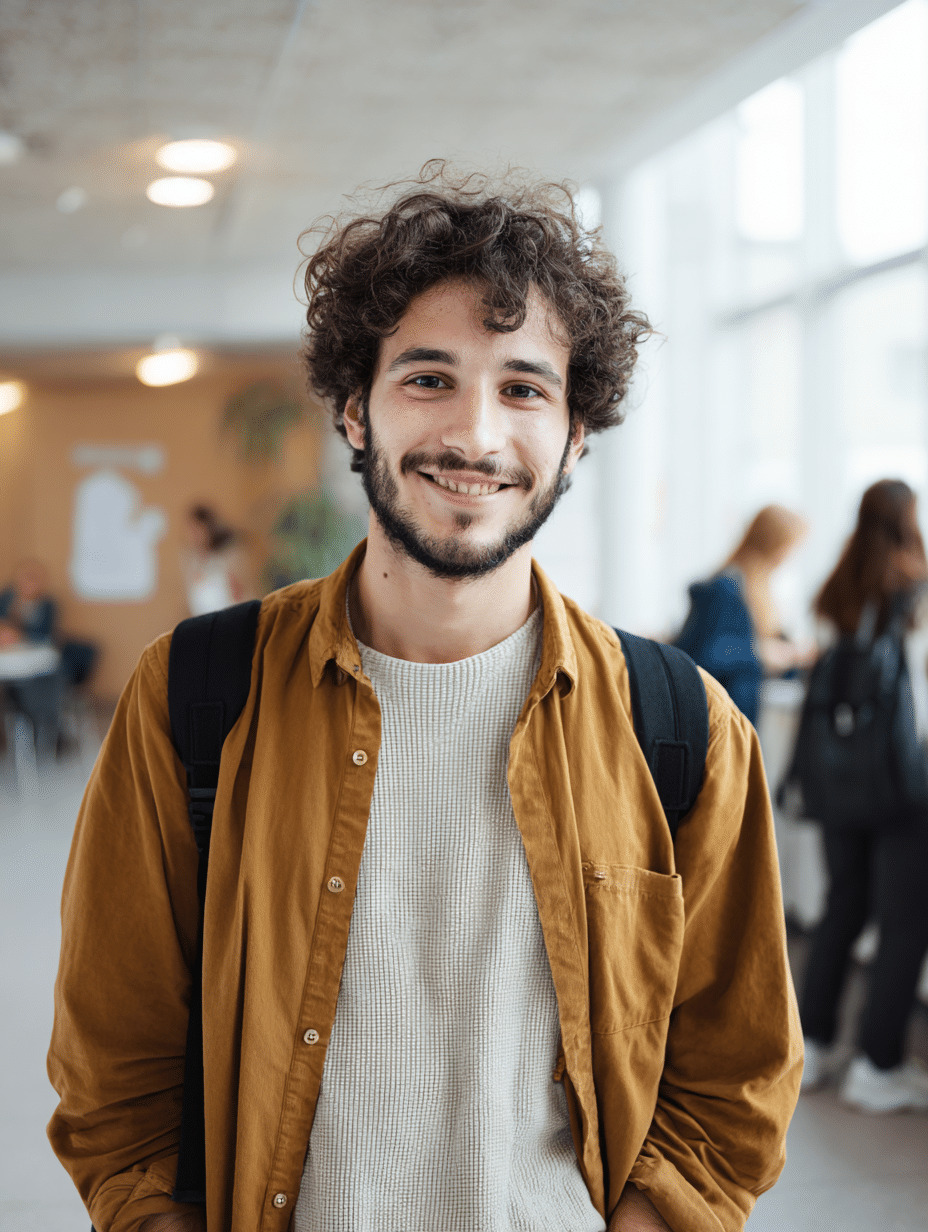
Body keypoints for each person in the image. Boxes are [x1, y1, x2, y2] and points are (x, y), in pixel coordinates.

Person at [48, 169, 801, 1232]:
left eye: (525, 388)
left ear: (577, 432)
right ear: (356, 407)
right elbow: (111, 1067)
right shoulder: (194, 692)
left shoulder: (680, 727)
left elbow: (736, 1075)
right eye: (429, 378)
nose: (476, 436)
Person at [798, 479, 928, 1112]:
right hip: (903, 780)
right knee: (903, 920)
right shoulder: (915, 588)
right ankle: (878, 1066)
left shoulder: (836, 587)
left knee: (843, 904)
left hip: (836, 776)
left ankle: (814, 1046)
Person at [673, 505, 810, 725]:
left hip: (740, 716)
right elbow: (702, 655)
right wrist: (761, 654)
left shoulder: (759, 592)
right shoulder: (724, 589)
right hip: (714, 717)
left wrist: (793, 658)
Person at [0, 558, 64, 761]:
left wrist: (19, 632)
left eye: (33, 579)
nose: (28, 583)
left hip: (33, 670)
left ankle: (42, 730)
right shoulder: (7, 599)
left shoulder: (47, 604)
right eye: (24, 578)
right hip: (8, 659)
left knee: (33, 688)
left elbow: (45, 635)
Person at [181, 504, 251, 617]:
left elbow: (239, 593)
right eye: (190, 529)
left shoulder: (228, 557)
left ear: (207, 527)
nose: (192, 534)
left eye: (196, 529)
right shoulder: (191, 561)